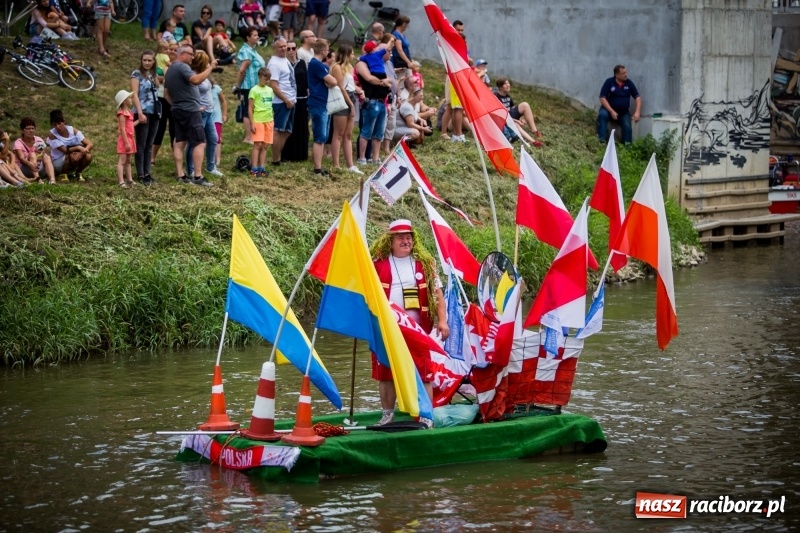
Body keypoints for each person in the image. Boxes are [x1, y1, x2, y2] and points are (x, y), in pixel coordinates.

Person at [369, 219, 449, 426]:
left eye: (408, 237)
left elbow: (438, 294)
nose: (405, 241)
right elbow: (365, 295)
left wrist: (442, 321)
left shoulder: (425, 262)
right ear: (391, 241)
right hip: (387, 329)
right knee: (386, 373)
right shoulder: (377, 264)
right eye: (400, 238)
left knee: (424, 372)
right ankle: (387, 414)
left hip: (418, 330)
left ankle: (426, 415)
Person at [164, 43, 216, 186]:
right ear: (182, 54)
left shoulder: (170, 70)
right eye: (190, 54)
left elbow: (166, 94)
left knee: (179, 142)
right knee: (199, 142)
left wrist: (176, 105)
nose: (193, 57)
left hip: (178, 109)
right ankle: (198, 177)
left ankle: (181, 175)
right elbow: (195, 80)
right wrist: (210, 67)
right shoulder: (182, 67)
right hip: (190, 111)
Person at [185, 50, 222, 178]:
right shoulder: (194, 76)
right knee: (195, 142)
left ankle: (211, 167)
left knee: (213, 139)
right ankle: (190, 169)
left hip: (209, 113)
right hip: (200, 113)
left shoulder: (203, 74)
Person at [355, 41, 391, 164]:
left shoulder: (376, 61)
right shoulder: (362, 63)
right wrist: (383, 82)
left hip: (382, 101)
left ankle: (375, 158)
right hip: (371, 100)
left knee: (379, 132)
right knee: (366, 131)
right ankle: (362, 157)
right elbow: (369, 79)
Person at [330, 44, 362, 174]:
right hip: (343, 99)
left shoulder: (349, 67)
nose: (354, 56)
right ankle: (336, 164)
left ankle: (350, 165)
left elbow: (352, 85)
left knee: (348, 134)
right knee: (338, 133)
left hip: (351, 96)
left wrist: (360, 91)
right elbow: (341, 88)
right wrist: (350, 104)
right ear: (346, 55)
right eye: (352, 54)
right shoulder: (337, 67)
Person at [307, 39, 337, 176]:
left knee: (323, 136)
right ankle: (317, 169)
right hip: (318, 102)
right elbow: (333, 81)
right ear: (323, 51)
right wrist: (330, 81)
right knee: (320, 136)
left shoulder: (318, 65)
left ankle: (319, 166)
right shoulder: (317, 64)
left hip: (323, 102)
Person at [131, 50, 161, 185]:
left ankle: (148, 172)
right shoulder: (136, 74)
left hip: (154, 111)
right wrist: (140, 112)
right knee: (141, 144)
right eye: (145, 60)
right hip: (142, 111)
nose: (147, 63)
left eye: (150, 60)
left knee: (150, 144)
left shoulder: (153, 74)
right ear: (141, 61)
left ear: (154, 61)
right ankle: (141, 174)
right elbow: (135, 94)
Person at [267, 36, 297, 166]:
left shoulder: (284, 60)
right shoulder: (274, 64)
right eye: (280, 46)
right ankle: (275, 159)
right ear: (274, 47)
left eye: (285, 46)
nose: (284, 48)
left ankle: (278, 155)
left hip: (291, 100)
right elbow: (273, 85)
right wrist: (285, 100)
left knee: (287, 131)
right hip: (281, 102)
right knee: (279, 130)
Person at [235, 27, 266, 144]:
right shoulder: (246, 51)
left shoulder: (252, 50)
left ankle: (254, 134)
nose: (257, 37)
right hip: (248, 86)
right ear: (248, 37)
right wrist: (238, 86)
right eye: (254, 35)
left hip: (256, 86)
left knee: (253, 110)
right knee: (248, 110)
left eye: (257, 35)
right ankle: (248, 137)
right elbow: (242, 70)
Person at [597, 64, 641, 144]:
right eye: (623, 73)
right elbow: (602, 98)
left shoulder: (629, 83)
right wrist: (611, 111)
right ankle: (601, 140)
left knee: (627, 126)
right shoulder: (609, 82)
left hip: (623, 112)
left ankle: (627, 147)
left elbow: (637, 97)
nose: (626, 75)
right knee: (602, 115)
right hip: (608, 109)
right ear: (617, 75)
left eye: (626, 72)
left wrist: (637, 112)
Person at [46, 110, 93, 182]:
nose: (58, 127)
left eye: (59, 123)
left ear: (64, 121)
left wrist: (82, 152)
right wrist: (78, 148)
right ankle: (63, 174)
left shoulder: (72, 130)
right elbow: (64, 150)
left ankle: (78, 172)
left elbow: (89, 143)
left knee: (88, 156)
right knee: (70, 155)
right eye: (55, 125)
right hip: (59, 160)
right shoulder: (52, 134)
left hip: (73, 157)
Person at [494, 77, 543, 147]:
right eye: (505, 84)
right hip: (503, 118)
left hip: (509, 115)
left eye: (508, 83)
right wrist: (516, 121)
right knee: (515, 124)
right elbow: (499, 115)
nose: (508, 85)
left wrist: (519, 119)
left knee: (525, 105)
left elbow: (511, 108)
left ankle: (534, 130)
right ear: (500, 87)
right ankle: (533, 141)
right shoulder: (496, 97)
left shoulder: (507, 96)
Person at [282, 41, 309, 162]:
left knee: (302, 126)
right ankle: (288, 154)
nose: (291, 51)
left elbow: (306, 81)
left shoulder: (302, 63)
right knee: (289, 127)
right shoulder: (284, 64)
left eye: (293, 48)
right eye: (288, 49)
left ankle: (301, 154)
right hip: (289, 99)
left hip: (302, 99)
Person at [152, 41, 177, 163]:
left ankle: (176, 156)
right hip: (161, 97)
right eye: (169, 49)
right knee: (159, 128)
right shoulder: (160, 62)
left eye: (174, 50)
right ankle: (152, 157)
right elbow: (156, 78)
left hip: (175, 99)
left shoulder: (178, 65)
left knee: (175, 129)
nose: (171, 51)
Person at [248, 67, 274, 177]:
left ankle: (261, 167)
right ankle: (254, 168)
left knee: (265, 145)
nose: (267, 81)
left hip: (268, 121)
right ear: (259, 77)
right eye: (265, 79)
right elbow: (250, 108)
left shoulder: (270, 90)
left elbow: (270, 106)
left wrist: (272, 120)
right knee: (257, 145)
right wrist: (252, 122)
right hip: (258, 120)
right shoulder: (254, 90)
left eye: (268, 79)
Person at [14, 117, 56, 184]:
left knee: (46, 157)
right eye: (28, 128)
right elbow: (21, 158)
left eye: (32, 128)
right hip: (24, 169)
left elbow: (43, 153)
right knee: (32, 154)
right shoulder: (18, 142)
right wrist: (30, 164)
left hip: (38, 167)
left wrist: (40, 157)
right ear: (22, 130)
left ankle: (52, 180)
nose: (31, 130)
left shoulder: (39, 140)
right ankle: (38, 179)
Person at [115, 90, 139, 188]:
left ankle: (129, 179)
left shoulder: (129, 112)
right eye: (129, 98)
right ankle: (121, 181)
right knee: (122, 161)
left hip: (130, 139)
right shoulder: (122, 114)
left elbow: (130, 126)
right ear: (124, 101)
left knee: (128, 161)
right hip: (125, 140)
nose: (131, 99)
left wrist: (139, 121)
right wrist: (126, 143)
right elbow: (122, 129)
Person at [210, 76, 227, 173]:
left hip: (216, 117)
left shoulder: (216, 89)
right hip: (205, 116)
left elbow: (223, 101)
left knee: (217, 139)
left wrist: (224, 114)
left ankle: (217, 160)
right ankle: (210, 158)